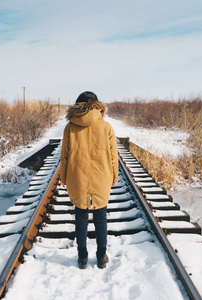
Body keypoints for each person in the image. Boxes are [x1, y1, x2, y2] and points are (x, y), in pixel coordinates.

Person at [60, 91, 118, 269]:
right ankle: (101, 256)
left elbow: (65, 157)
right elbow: (113, 156)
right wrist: (114, 175)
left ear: (77, 106)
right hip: (102, 177)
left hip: (78, 177)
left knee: (81, 216)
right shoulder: (106, 127)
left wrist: (64, 177)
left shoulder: (70, 127)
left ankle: (82, 257)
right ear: (97, 105)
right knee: (101, 216)